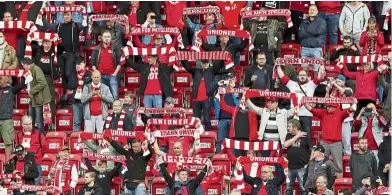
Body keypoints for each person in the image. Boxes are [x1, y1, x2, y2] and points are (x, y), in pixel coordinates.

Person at [39, 11, 85, 99]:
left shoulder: (76, 25)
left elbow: (84, 25)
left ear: (72, 16)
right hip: (61, 54)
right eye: (65, 15)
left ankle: (71, 93)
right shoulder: (59, 26)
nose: (66, 16)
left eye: (68, 15)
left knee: (68, 73)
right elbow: (47, 25)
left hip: (71, 53)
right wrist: (43, 16)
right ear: (63, 16)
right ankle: (65, 96)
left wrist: (86, 16)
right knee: (63, 75)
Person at [276, 63, 325, 141]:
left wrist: (321, 66)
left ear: (307, 76)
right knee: (293, 136)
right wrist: (278, 66)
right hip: (294, 114)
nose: (302, 77)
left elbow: (319, 77)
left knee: (307, 137)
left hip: (307, 115)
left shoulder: (311, 84)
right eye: (301, 75)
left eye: (304, 75)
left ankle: (307, 152)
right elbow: (283, 77)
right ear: (297, 76)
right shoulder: (292, 84)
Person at [304, 102, 355, 175]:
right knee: (320, 163)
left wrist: (355, 102)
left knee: (338, 166)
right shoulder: (323, 112)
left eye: (329, 107)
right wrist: (304, 103)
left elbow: (351, 109)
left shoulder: (340, 113)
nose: (327, 108)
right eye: (327, 106)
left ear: (334, 107)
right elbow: (311, 109)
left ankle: (339, 185)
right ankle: (321, 184)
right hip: (325, 142)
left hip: (336, 144)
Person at [181, 59, 224, 131]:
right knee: (196, 121)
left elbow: (219, 65)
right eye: (204, 62)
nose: (205, 64)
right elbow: (187, 67)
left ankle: (208, 136)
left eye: (206, 62)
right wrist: (182, 59)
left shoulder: (211, 70)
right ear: (201, 63)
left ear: (209, 62)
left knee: (207, 120)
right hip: (196, 100)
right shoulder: (196, 71)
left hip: (206, 99)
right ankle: (196, 137)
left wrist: (222, 59)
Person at [325, 75, 354, 155]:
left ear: (343, 82)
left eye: (338, 81)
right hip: (335, 120)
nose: (336, 83)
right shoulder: (333, 92)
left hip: (345, 120)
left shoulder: (348, 89)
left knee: (346, 140)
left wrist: (335, 83)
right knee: (336, 140)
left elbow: (347, 93)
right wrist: (327, 92)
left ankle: (348, 158)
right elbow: (326, 102)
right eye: (336, 81)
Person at [33, 38, 60, 127]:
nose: (47, 43)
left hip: (49, 78)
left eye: (49, 41)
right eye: (45, 41)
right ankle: (39, 121)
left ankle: (52, 121)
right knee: (38, 99)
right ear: (43, 43)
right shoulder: (38, 52)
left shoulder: (54, 52)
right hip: (39, 78)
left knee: (51, 99)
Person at [22, 57, 52, 133]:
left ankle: (40, 138)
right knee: (31, 119)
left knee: (38, 121)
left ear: (26, 64)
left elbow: (42, 83)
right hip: (34, 98)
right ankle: (32, 137)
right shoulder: (30, 70)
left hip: (39, 99)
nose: (23, 67)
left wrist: (31, 91)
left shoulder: (36, 69)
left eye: (23, 65)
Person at [90, 30, 122, 100]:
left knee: (115, 96)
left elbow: (120, 62)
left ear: (111, 38)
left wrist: (115, 73)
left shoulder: (115, 48)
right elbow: (92, 62)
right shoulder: (96, 48)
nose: (107, 38)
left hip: (112, 75)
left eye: (108, 37)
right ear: (101, 38)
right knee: (102, 97)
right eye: (105, 37)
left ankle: (115, 110)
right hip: (101, 76)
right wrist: (97, 73)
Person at [14, 116, 45, 185]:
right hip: (23, 163)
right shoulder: (18, 135)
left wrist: (37, 156)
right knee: (24, 184)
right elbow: (18, 148)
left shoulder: (39, 134)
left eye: (29, 124)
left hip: (36, 162)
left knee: (36, 183)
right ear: (22, 124)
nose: (28, 126)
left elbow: (44, 148)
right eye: (26, 124)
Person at [0, 75, 25, 161]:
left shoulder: (11, 89)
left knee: (8, 142)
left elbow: (22, 85)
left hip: (6, 120)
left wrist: (24, 75)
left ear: (6, 79)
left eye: (1, 78)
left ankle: (7, 163)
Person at [284, 119, 311, 195]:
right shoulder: (288, 135)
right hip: (290, 167)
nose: (288, 128)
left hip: (302, 167)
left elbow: (312, 150)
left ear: (295, 127)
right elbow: (285, 145)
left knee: (303, 189)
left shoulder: (305, 136)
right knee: (288, 189)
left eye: (289, 126)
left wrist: (309, 163)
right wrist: (297, 136)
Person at [298, 4, 326, 76]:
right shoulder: (304, 22)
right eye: (310, 10)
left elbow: (318, 32)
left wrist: (306, 30)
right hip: (305, 48)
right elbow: (301, 34)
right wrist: (313, 32)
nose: (312, 11)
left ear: (317, 12)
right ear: (308, 11)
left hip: (316, 48)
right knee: (304, 70)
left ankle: (316, 85)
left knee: (316, 71)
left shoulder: (322, 21)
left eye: (313, 10)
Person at [215, 74, 239, 153]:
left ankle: (231, 161)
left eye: (231, 79)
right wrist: (218, 85)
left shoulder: (237, 90)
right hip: (222, 119)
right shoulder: (220, 90)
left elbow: (239, 104)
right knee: (220, 140)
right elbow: (210, 94)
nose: (229, 81)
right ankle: (219, 159)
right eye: (227, 79)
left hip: (234, 120)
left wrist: (233, 89)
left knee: (232, 141)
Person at [72, 58, 92, 131]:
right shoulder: (73, 73)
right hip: (76, 101)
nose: (78, 66)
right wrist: (78, 83)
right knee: (76, 121)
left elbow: (91, 85)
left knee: (87, 121)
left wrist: (83, 83)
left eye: (80, 64)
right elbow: (70, 85)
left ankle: (87, 139)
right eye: (77, 64)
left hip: (86, 100)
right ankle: (76, 140)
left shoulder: (89, 73)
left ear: (84, 64)